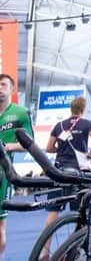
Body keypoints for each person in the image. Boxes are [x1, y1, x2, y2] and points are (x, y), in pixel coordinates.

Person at [39, 96, 91, 261]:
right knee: (80, 212)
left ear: (71, 109)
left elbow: (48, 147)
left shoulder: (59, 125)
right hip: (78, 173)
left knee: (53, 212)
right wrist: (90, 155)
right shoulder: (87, 124)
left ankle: (45, 252)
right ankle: (76, 250)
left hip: (59, 171)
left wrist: (60, 149)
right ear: (83, 109)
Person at [0, 74, 33, 256]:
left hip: (2, 173)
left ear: (11, 89)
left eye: (3, 85)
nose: (0, 88)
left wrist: (6, 146)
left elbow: (29, 143)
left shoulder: (20, 113)